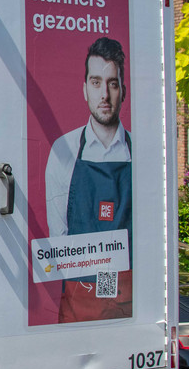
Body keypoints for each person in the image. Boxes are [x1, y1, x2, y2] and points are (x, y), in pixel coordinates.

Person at [43, 37, 132, 323]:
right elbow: (58, 237)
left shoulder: (141, 153)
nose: (104, 94)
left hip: (131, 302)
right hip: (79, 301)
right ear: (85, 89)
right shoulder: (64, 151)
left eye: (112, 83)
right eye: (96, 82)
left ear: (123, 90)